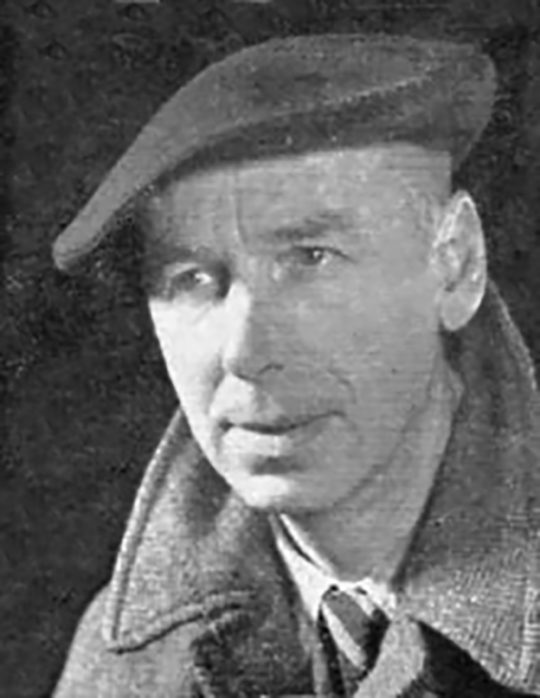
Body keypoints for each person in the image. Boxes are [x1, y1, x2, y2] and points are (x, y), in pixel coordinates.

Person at [51, 33, 540, 697]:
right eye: (192, 279)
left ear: (455, 266)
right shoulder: (126, 662)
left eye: (311, 259)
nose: (245, 352)